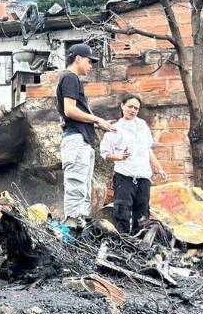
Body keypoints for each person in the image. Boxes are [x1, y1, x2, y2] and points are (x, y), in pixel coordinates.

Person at [56, 43, 116, 223]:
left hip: (81, 140)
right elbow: (70, 111)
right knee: (77, 190)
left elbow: (75, 114)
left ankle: (80, 232)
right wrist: (97, 120)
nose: (91, 66)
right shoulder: (70, 78)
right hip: (76, 141)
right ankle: (72, 232)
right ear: (78, 59)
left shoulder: (70, 79)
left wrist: (98, 125)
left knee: (84, 192)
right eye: (89, 61)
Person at [100, 94, 167, 234]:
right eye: (130, 106)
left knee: (142, 212)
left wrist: (158, 167)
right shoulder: (115, 128)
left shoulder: (142, 125)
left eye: (136, 108)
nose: (133, 110)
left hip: (143, 176)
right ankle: (122, 243)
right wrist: (120, 157)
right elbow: (105, 153)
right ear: (122, 105)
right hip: (125, 176)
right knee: (122, 211)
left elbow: (147, 149)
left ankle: (139, 244)